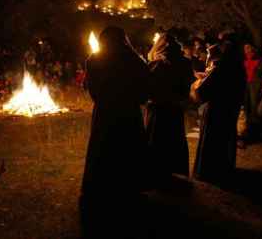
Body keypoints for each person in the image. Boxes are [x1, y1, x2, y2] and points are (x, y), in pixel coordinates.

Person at [81, 26, 149, 199]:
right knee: (127, 150)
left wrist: (106, 100)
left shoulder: (94, 60)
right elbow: (144, 92)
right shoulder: (135, 60)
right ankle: (129, 186)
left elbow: (94, 91)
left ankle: (102, 186)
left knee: (104, 148)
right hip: (128, 113)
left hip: (105, 113)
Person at [191, 34, 245, 185]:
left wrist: (199, 83)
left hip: (217, 110)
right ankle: (225, 169)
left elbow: (204, 91)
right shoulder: (239, 67)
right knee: (226, 139)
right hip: (229, 110)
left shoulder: (222, 67)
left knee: (213, 141)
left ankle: (210, 172)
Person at [145, 31, 193, 185]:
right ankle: (176, 172)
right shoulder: (185, 62)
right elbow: (187, 86)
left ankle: (156, 174)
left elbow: (148, 88)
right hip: (175, 108)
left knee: (157, 140)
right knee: (175, 139)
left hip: (158, 109)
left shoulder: (157, 64)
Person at [242, 43, 262, 142]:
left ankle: (255, 125)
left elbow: (259, 70)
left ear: (251, 48)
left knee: (254, 103)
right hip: (247, 83)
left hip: (254, 83)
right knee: (247, 103)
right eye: (245, 48)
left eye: (247, 47)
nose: (246, 49)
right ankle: (248, 124)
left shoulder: (256, 57)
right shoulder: (244, 58)